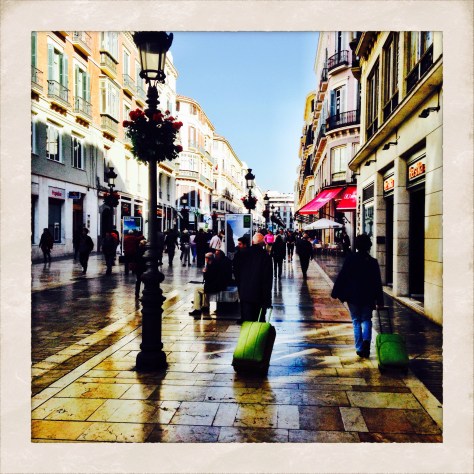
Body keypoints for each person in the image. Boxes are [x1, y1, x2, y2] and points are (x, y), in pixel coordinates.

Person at [331, 233, 384, 358]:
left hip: (353, 296)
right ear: (369, 246)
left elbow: (342, 276)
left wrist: (335, 292)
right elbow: (377, 282)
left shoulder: (350, 259)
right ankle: (366, 342)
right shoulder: (373, 262)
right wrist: (380, 300)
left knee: (356, 321)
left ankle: (360, 348)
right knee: (367, 319)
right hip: (368, 296)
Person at [237, 232, 273, 323]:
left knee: (247, 322)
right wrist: (268, 300)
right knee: (259, 322)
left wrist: (241, 289)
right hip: (260, 296)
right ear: (263, 243)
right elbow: (267, 280)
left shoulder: (242, 253)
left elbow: (237, 273)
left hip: (245, 294)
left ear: (252, 242)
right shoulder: (266, 256)